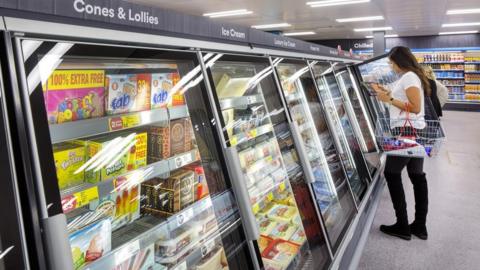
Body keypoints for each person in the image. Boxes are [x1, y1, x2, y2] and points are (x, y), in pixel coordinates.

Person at [371, 46, 430, 241]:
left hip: (407, 131)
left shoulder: (409, 77)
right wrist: (388, 93)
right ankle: (420, 226)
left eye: (391, 63)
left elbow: (415, 107)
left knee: (392, 173)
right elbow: (406, 99)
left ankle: (402, 226)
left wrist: (389, 98)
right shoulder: (410, 77)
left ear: (399, 61)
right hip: (414, 131)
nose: (391, 66)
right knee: (417, 176)